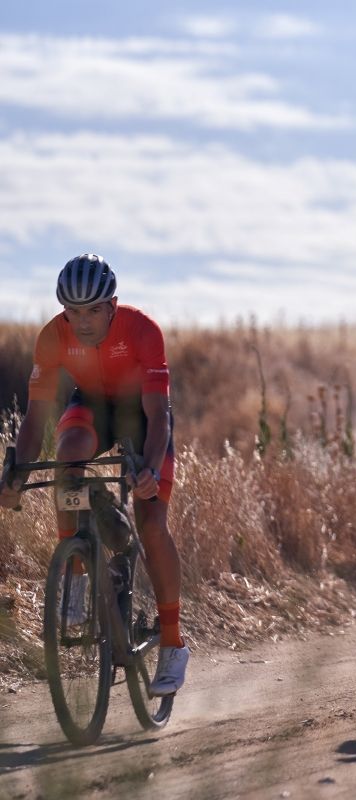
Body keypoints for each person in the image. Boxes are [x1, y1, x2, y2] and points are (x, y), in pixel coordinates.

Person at [0, 254, 189, 696]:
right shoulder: (52, 336)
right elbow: (35, 419)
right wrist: (15, 475)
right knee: (68, 457)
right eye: (73, 311)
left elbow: (157, 415)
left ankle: (173, 644)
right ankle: (77, 572)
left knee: (152, 524)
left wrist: (148, 469)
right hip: (93, 406)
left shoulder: (143, 330)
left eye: (93, 311)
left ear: (113, 306)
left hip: (142, 415)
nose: (82, 322)